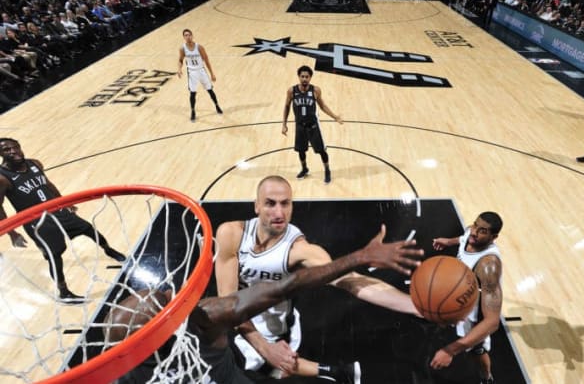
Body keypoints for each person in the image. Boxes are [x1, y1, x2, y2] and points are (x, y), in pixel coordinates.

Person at [109, 225, 423, 383]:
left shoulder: (123, 358)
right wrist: (360, 256)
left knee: (279, 356)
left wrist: (359, 259)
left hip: (251, 339)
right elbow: (283, 286)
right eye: (166, 299)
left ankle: (330, 370)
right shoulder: (204, 316)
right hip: (238, 345)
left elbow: (286, 285)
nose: (171, 295)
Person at [214, 175, 419, 382]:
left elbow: (349, 280)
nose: (279, 213)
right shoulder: (231, 234)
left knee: (263, 371)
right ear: (256, 206)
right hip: (242, 320)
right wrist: (264, 348)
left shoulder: (300, 250)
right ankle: (338, 372)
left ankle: (336, 372)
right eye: (270, 204)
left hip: (277, 329)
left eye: (286, 204)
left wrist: (413, 305)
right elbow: (228, 300)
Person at [0, 138, 126, 303]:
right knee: (54, 256)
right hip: (37, 223)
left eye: (14, 147)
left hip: (57, 211)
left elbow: (48, 184)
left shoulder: (35, 164)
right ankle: (64, 291)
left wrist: (64, 202)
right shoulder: (3, 178)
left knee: (88, 229)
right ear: (1, 154)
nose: (13, 151)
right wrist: (12, 233)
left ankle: (108, 250)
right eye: (6, 150)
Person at [429, 212, 504, 384]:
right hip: (460, 294)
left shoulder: (488, 266)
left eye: (483, 231)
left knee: (476, 351)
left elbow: (492, 321)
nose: (474, 232)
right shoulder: (471, 233)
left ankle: (486, 378)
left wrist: (450, 351)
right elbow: (463, 238)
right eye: (475, 225)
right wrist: (447, 241)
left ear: (494, 237)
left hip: (474, 313)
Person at [281, 65, 343, 184]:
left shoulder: (315, 90)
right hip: (300, 126)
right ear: (299, 77)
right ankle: (304, 168)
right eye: (302, 76)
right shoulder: (291, 91)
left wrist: (335, 117)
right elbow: (287, 106)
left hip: (313, 126)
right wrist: (284, 124)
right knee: (301, 151)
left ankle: (327, 169)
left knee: (321, 151)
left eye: (307, 77)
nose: (304, 79)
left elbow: (323, 106)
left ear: (310, 78)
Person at [177, 28, 222, 122]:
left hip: (201, 70)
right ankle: (193, 112)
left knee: (210, 90)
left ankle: (217, 106)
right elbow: (180, 60)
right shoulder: (182, 48)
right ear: (183, 37)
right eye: (185, 35)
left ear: (192, 36)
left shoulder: (199, 47)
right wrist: (179, 69)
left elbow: (206, 60)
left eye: (189, 35)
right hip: (192, 72)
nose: (188, 37)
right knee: (192, 93)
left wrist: (212, 74)